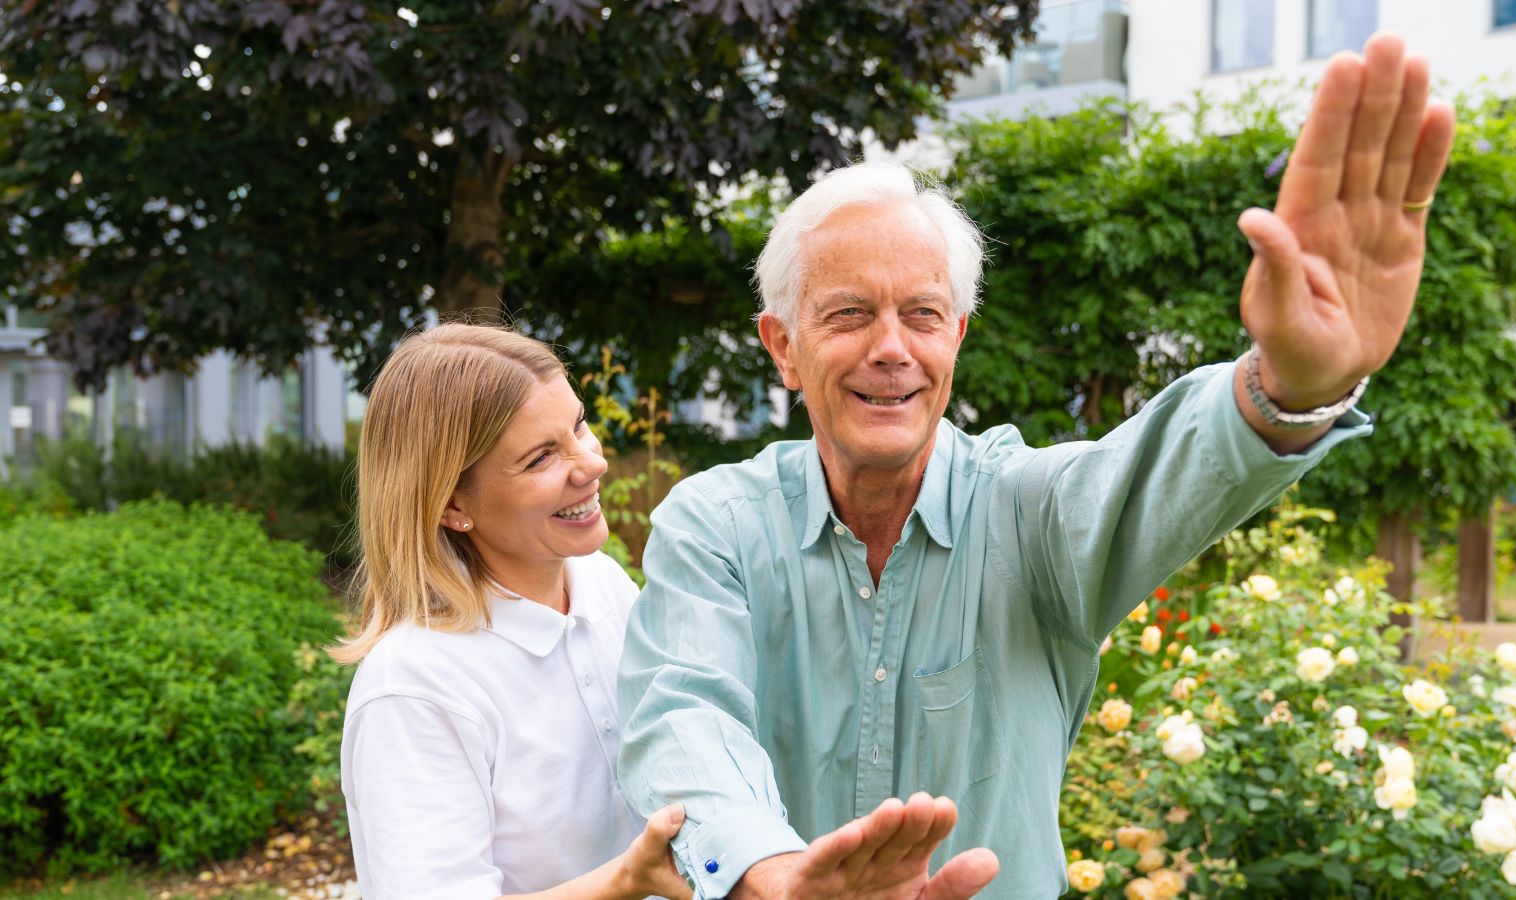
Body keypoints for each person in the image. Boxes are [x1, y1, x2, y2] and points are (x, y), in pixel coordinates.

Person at [618, 33, 1454, 899]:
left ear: (957, 338)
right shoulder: (714, 523)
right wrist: (770, 875)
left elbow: (1165, 467)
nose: (892, 349)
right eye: (850, 314)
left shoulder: (1028, 511)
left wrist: (1288, 385)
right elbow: (684, 719)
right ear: (783, 347)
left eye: (923, 314)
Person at [333, 323, 690, 900]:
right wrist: (627, 880)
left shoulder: (601, 584)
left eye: (578, 425)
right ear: (451, 505)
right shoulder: (414, 686)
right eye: (541, 457)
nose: (592, 464)